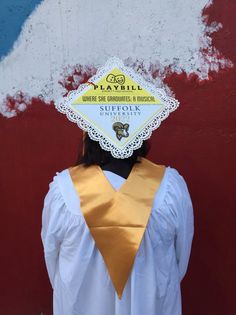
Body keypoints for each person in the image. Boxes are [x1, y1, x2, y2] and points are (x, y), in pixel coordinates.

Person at [41, 57, 194, 314]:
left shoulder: (64, 192)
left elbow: (54, 264)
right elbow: (179, 263)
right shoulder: (170, 189)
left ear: (89, 132)